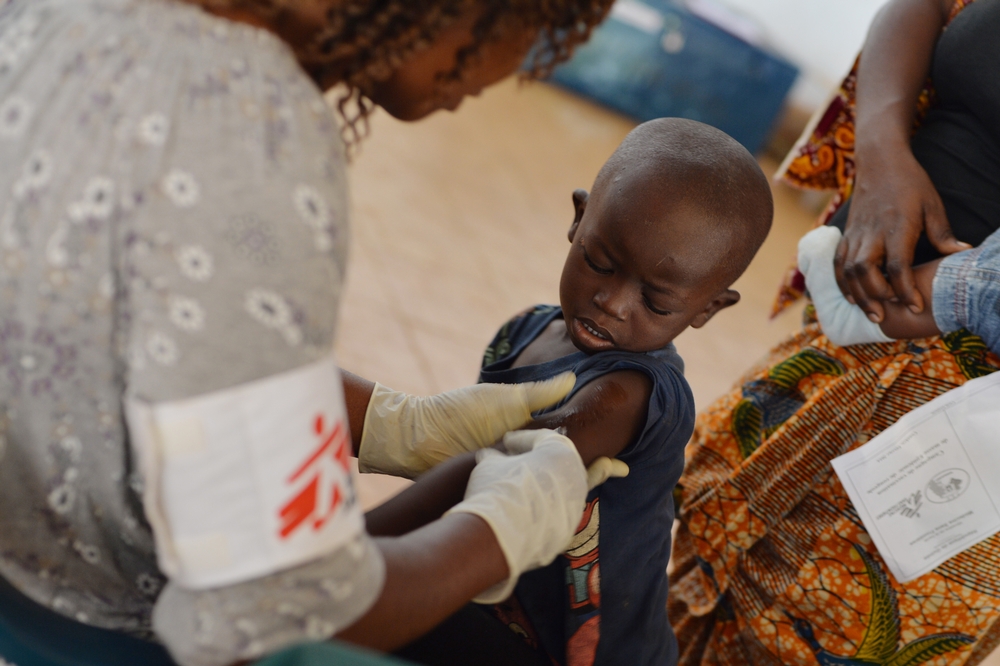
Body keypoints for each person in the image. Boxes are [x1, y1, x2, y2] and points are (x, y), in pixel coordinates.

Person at [0, 1, 620, 665]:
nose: (519, 62)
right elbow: (273, 613)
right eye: (543, 21)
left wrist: (391, 423)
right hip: (95, 626)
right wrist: (502, 529)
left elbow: (127, 341)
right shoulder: (252, 140)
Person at [365, 118, 774, 666]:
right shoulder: (525, 331)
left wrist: (355, 544)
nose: (612, 301)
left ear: (706, 307)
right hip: (505, 601)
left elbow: (490, 469)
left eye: (656, 303)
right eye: (600, 263)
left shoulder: (630, 395)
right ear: (579, 218)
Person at [668, 0, 1000, 663]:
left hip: (966, 427)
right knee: (707, 577)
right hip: (849, 321)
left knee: (823, 634)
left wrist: (952, 290)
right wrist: (882, 153)